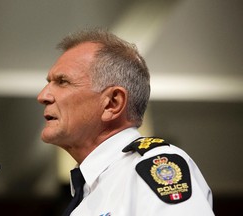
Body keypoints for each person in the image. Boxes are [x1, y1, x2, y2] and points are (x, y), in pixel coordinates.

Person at [37, 28, 215, 216]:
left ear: (112, 103)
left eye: (62, 81)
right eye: (49, 82)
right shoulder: (89, 191)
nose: (43, 96)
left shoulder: (151, 168)